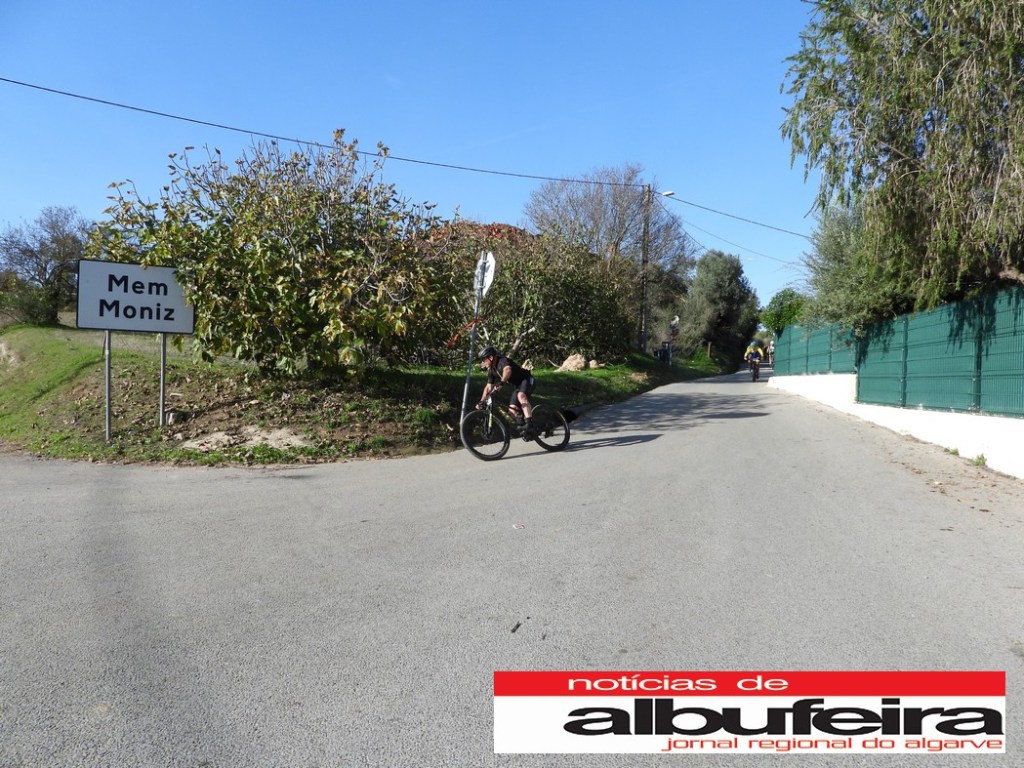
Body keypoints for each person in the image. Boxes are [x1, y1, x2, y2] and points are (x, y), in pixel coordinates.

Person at [476, 346, 537, 435]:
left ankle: (529, 424)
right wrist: (481, 401)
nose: (482, 363)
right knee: (512, 411)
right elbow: (488, 387)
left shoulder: (502, 360)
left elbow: (507, 370)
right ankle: (525, 429)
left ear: (491, 357)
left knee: (521, 395)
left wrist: (501, 383)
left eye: (484, 360)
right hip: (518, 386)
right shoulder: (492, 370)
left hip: (527, 380)